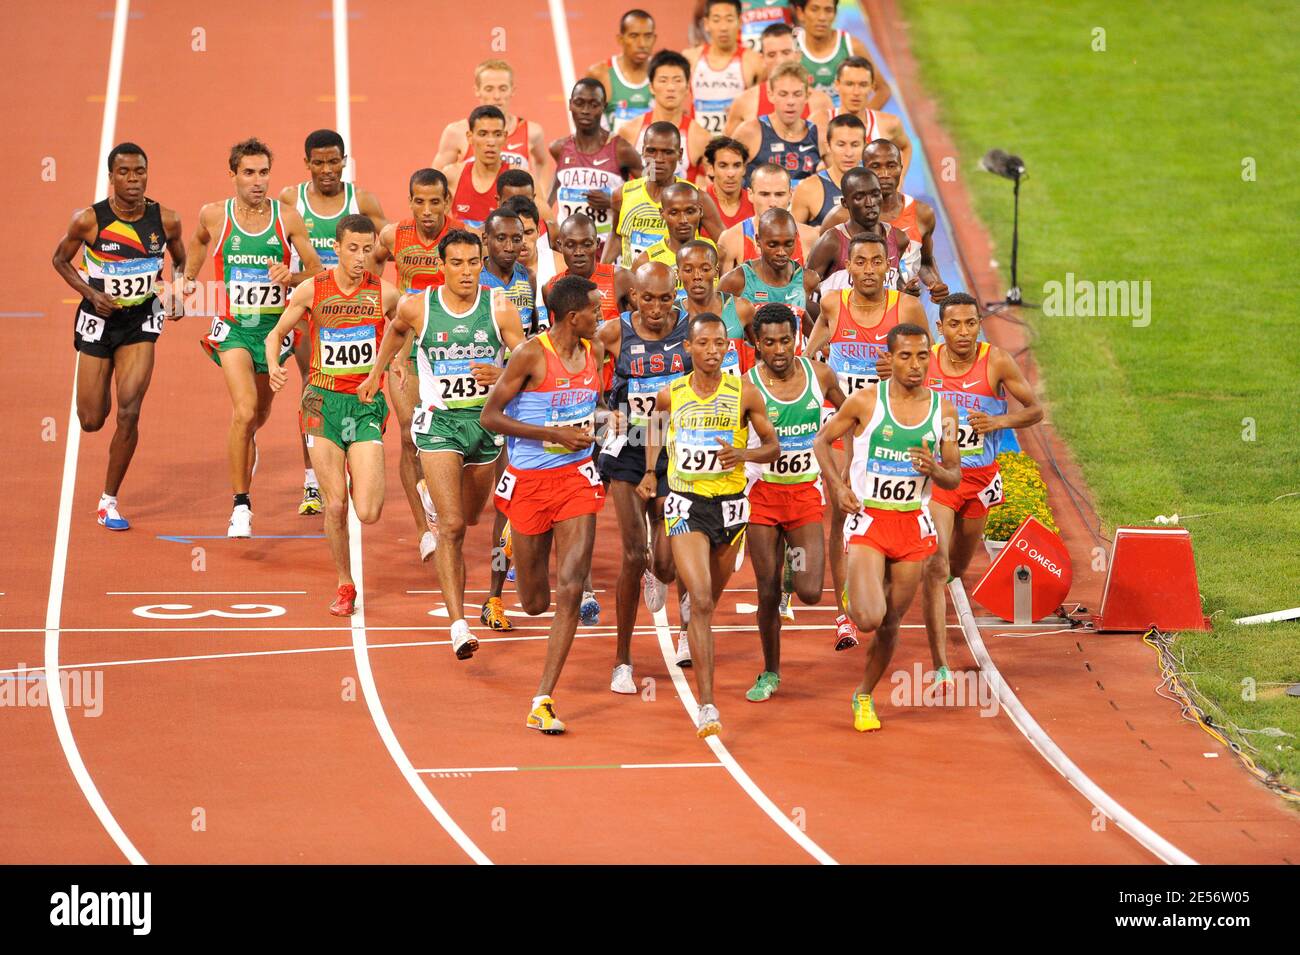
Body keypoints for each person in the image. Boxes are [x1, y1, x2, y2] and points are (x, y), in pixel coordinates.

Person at [359, 229, 526, 658]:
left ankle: (430, 495)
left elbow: (528, 364)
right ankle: (458, 625)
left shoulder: (500, 309)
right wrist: (379, 373)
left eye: (473, 263)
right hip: (439, 425)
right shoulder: (419, 306)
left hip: (485, 424)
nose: (467, 272)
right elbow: (396, 330)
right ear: (442, 266)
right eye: (457, 263)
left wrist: (502, 375)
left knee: (470, 517)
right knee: (451, 528)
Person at [879, 293, 1042, 683]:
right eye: (955, 324)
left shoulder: (997, 360)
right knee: (936, 567)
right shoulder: (926, 361)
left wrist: (997, 423)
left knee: (955, 567)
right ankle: (940, 665)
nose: (964, 331)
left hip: (981, 480)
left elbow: (1034, 410)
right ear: (940, 328)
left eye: (971, 323)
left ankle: (911, 580)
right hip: (940, 478)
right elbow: (895, 396)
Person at [813, 322, 961, 732]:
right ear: (889, 359)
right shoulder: (864, 403)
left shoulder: (944, 412)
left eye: (922, 356)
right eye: (905, 356)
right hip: (870, 520)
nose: (915, 365)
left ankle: (863, 696)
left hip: (912, 523)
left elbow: (954, 477)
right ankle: (855, 590)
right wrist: (839, 486)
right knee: (869, 618)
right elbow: (821, 442)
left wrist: (935, 469)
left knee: (892, 623)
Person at [639, 312, 779, 737]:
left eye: (720, 343)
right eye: (703, 343)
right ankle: (708, 705)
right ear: (688, 347)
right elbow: (654, 428)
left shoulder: (746, 394)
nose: (713, 351)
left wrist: (745, 456)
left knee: (708, 600)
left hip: (732, 507)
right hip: (685, 504)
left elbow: (772, 446)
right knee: (700, 600)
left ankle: (690, 621)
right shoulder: (671, 394)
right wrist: (650, 473)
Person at [480, 276, 608, 734]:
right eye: (596, 309)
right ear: (574, 317)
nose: (602, 314)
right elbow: (490, 416)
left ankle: (543, 697)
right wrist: (555, 434)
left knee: (571, 587)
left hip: (576, 479)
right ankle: (513, 537)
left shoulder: (595, 352)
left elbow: (597, 403)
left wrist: (603, 426)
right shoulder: (531, 355)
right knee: (534, 603)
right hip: (530, 482)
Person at [182, 138, 321, 538]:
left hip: (273, 332)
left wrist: (290, 277)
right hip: (234, 329)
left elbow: (316, 269)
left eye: (263, 173)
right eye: (249, 173)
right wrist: (187, 282)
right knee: (243, 411)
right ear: (233, 175)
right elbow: (197, 244)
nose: (257, 181)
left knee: (258, 416)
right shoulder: (214, 215)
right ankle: (240, 506)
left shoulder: (287, 217)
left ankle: (246, 450)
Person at [265, 215, 401, 615]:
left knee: (369, 511)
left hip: (363, 405)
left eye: (367, 249)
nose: (361, 258)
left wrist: (397, 363)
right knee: (336, 505)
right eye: (352, 249)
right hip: (322, 403)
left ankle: (361, 468)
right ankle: (345, 584)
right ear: (337, 249)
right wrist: (275, 364)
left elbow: (406, 330)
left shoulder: (386, 294)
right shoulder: (312, 288)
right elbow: (276, 333)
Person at [52, 142, 186, 531]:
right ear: (111, 176)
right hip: (97, 318)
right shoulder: (88, 221)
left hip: (142, 319)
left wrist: (176, 289)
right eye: (124, 173)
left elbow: (180, 260)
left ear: (147, 173)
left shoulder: (167, 221)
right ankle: (98, 381)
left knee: (129, 410)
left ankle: (108, 501)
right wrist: (91, 293)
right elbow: (59, 259)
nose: (133, 180)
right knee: (92, 419)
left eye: (139, 172)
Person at [804, 233, 927, 650]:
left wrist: (894, 367)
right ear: (848, 268)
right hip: (845, 421)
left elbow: (927, 365)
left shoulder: (906, 307)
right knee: (840, 514)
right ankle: (845, 615)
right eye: (861, 262)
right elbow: (810, 357)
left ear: (887, 267)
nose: (870, 269)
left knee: (887, 514)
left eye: (878, 261)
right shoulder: (833, 305)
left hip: (890, 426)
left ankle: (878, 589)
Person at [279, 129, 387, 517]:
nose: (327, 169)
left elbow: (385, 246)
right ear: (307, 163)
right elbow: (280, 246)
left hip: (355, 308)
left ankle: (359, 454)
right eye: (319, 162)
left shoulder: (363, 201)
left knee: (356, 381)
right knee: (314, 386)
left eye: (334, 161)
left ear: (345, 161)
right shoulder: (291, 200)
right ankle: (313, 480)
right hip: (314, 310)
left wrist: (365, 282)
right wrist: (295, 278)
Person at [597, 262, 691, 693]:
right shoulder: (614, 332)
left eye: (665, 298)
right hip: (630, 450)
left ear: (677, 296)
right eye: (647, 298)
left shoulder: (691, 330)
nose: (656, 308)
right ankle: (622, 661)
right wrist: (605, 413)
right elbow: (579, 373)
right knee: (633, 555)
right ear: (633, 295)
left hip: (677, 453)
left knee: (670, 566)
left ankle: (669, 591)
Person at [743, 303, 845, 700]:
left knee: (809, 592)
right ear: (757, 345)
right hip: (762, 497)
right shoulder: (747, 387)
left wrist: (845, 460)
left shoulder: (820, 376)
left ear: (797, 338)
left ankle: (793, 569)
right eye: (770, 343)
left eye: (786, 340)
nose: (780, 350)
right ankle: (770, 671)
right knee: (766, 592)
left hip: (803, 494)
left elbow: (848, 414)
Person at [374, 168, 467, 562]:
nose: (427, 210)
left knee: (448, 435)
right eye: (418, 201)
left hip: (449, 351)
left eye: (435, 202)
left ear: (446, 203)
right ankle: (421, 531)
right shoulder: (394, 236)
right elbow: (373, 267)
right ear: (409, 201)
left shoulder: (460, 236)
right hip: (407, 350)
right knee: (410, 436)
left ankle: (439, 494)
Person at [819, 140, 948, 299]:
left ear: (901, 168)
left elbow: (925, 262)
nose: (885, 174)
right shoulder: (840, 217)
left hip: (904, 309)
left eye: (891, 166)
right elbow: (819, 273)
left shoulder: (922, 214)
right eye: (875, 167)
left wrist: (935, 284)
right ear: (864, 169)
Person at [604, 121, 725, 268]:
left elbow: (724, 246)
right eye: (652, 151)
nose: (659, 159)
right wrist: (602, 271)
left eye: (667, 152)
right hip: (634, 286)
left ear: (680, 155)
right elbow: (617, 235)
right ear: (642, 151)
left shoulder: (697, 198)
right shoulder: (622, 194)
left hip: (679, 288)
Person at [548, 78, 644, 255]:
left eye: (593, 104)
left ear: (603, 107)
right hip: (569, 250)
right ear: (570, 105)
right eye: (579, 103)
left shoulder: (620, 149)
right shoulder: (559, 148)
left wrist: (611, 203)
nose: (585, 111)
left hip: (607, 248)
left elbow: (651, 191)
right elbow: (556, 184)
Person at [718, 209, 819, 370]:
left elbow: (801, 316)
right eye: (773, 245)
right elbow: (717, 328)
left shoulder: (807, 279)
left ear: (796, 240)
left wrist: (816, 350)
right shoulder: (736, 281)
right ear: (758, 240)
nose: (781, 252)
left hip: (794, 373)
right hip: (753, 374)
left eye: (788, 244)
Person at [432, 59, 551, 182]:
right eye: (489, 89)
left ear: (512, 91)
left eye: (503, 89)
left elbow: (542, 163)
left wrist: (541, 197)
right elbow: (435, 177)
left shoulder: (531, 132)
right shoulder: (456, 132)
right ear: (477, 91)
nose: (497, 96)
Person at [805, 167, 909, 295]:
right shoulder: (831, 242)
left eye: (875, 195)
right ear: (845, 203)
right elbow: (805, 288)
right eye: (859, 197)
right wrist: (837, 303)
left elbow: (894, 280)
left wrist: (906, 290)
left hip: (884, 315)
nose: (870, 203)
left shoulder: (899, 238)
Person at [616, 51, 712, 182]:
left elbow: (709, 184)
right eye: (663, 80)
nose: (671, 87)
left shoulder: (701, 137)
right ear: (651, 87)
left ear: (687, 87)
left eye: (677, 80)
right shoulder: (629, 131)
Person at [723, 23, 833, 136]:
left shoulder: (821, 102)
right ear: (762, 59)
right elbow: (727, 150)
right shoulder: (745, 102)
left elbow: (831, 148)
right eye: (771, 55)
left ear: (798, 55)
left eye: (786, 52)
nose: (780, 60)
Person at [716, 162, 819, 273]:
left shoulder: (810, 237)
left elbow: (818, 286)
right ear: (750, 194)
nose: (772, 202)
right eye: (764, 194)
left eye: (779, 194)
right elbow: (721, 289)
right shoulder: (731, 239)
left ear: (790, 195)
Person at [734, 62, 821, 187]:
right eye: (783, 94)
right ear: (771, 95)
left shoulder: (818, 133)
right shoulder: (750, 132)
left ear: (807, 96)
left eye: (797, 94)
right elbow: (726, 173)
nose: (790, 102)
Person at [685, 0, 763, 136]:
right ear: (706, 24)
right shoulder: (690, 58)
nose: (723, 27)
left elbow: (760, 109)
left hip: (736, 144)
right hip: (698, 143)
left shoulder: (755, 62)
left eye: (729, 19)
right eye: (716, 20)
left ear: (740, 22)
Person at [794, 0, 890, 109]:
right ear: (800, 13)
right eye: (814, 9)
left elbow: (883, 90)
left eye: (828, 10)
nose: (822, 17)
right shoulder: (790, 50)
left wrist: (859, 122)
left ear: (835, 14)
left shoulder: (852, 47)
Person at [828, 57, 910, 173]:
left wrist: (899, 180)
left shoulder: (889, 124)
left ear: (872, 87)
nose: (856, 92)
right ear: (837, 85)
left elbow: (906, 147)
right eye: (849, 84)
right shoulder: (821, 123)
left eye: (863, 85)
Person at [547, 215, 632, 323]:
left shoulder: (620, 278)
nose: (579, 252)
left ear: (597, 244)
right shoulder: (550, 287)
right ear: (560, 246)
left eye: (587, 245)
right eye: (570, 245)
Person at [586, 9, 657, 129]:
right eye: (634, 36)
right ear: (620, 39)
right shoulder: (600, 74)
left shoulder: (662, 74)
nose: (642, 44)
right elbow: (584, 121)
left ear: (654, 39)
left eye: (648, 36)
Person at [792, 113, 864, 228]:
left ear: (865, 146)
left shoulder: (877, 185)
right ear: (828, 146)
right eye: (841, 145)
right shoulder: (807, 189)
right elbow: (793, 240)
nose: (849, 153)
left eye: (855, 145)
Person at [446, 106, 509, 232]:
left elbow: (547, 225)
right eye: (483, 134)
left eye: (497, 134)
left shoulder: (518, 181)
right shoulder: (452, 176)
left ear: (505, 137)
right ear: (470, 137)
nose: (491, 141)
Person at [630, 181, 712, 272]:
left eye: (690, 212)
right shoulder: (646, 262)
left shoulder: (716, 253)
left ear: (700, 211)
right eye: (674, 213)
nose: (683, 220)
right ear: (662, 214)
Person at [701, 136, 754, 229]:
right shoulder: (697, 202)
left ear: (744, 168)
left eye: (737, 165)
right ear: (711, 168)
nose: (731, 173)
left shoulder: (755, 203)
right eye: (723, 166)